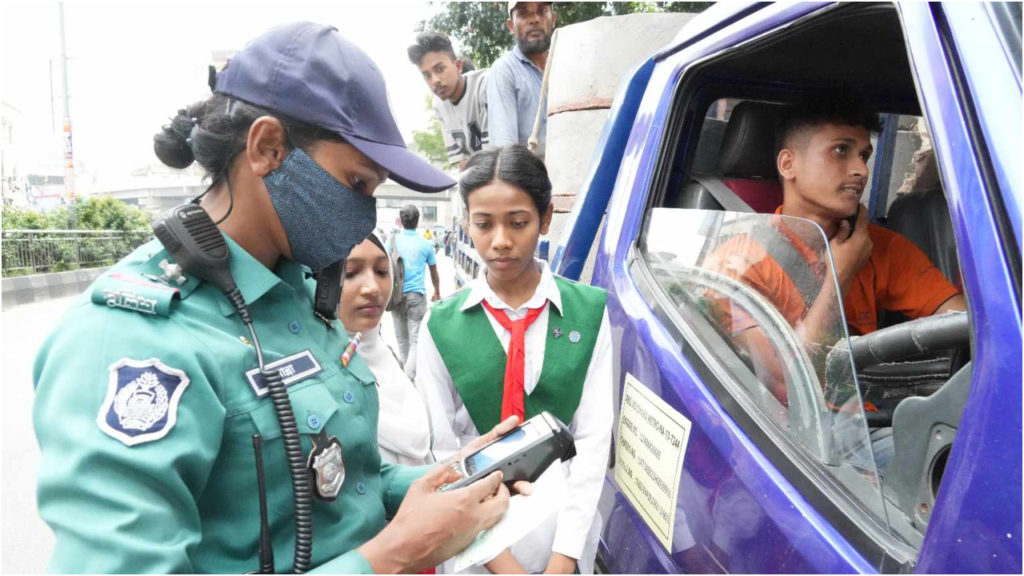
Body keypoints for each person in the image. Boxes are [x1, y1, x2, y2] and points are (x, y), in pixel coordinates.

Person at [32, 22, 526, 574]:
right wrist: (396, 553)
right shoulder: (128, 339)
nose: (365, 214)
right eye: (357, 184)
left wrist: (446, 481)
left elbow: (344, 481)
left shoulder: (305, 294)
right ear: (268, 148)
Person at [416, 145, 613, 574]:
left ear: (545, 219)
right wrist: (502, 564)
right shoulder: (440, 324)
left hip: (563, 533)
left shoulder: (589, 312)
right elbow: (440, 452)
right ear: (466, 222)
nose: (500, 241)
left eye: (518, 223)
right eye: (484, 224)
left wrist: (563, 560)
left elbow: (594, 442)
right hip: (474, 546)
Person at [706, 92, 964, 404]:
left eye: (864, 155)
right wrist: (840, 275)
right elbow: (787, 387)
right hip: (802, 439)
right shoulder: (738, 265)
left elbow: (963, 322)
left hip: (881, 422)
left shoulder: (878, 246)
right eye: (841, 150)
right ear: (789, 164)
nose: (861, 170)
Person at [339, 234, 433, 467]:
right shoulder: (316, 377)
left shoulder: (387, 358)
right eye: (350, 273)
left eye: (382, 271)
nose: (372, 288)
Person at [408, 32, 489, 171]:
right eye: (427, 75)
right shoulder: (438, 104)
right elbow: (461, 164)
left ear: (458, 66)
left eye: (440, 69)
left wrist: (471, 162)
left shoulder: (484, 84)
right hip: (477, 181)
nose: (435, 80)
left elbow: (497, 156)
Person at [487, 2, 556, 158]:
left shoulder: (566, 63)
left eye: (542, 10)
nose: (534, 20)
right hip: (535, 179)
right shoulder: (504, 71)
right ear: (511, 26)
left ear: (553, 19)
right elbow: (507, 154)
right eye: (524, 14)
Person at [392, 204, 442, 379]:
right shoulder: (426, 244)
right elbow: (434, 273)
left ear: (401, 220)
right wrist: (437, 291)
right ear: (417, 220)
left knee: (401, 339)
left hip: (396, 296)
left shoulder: (392, 241)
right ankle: (409, 375)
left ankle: (406, 375)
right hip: (417, 297)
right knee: (415, 341)